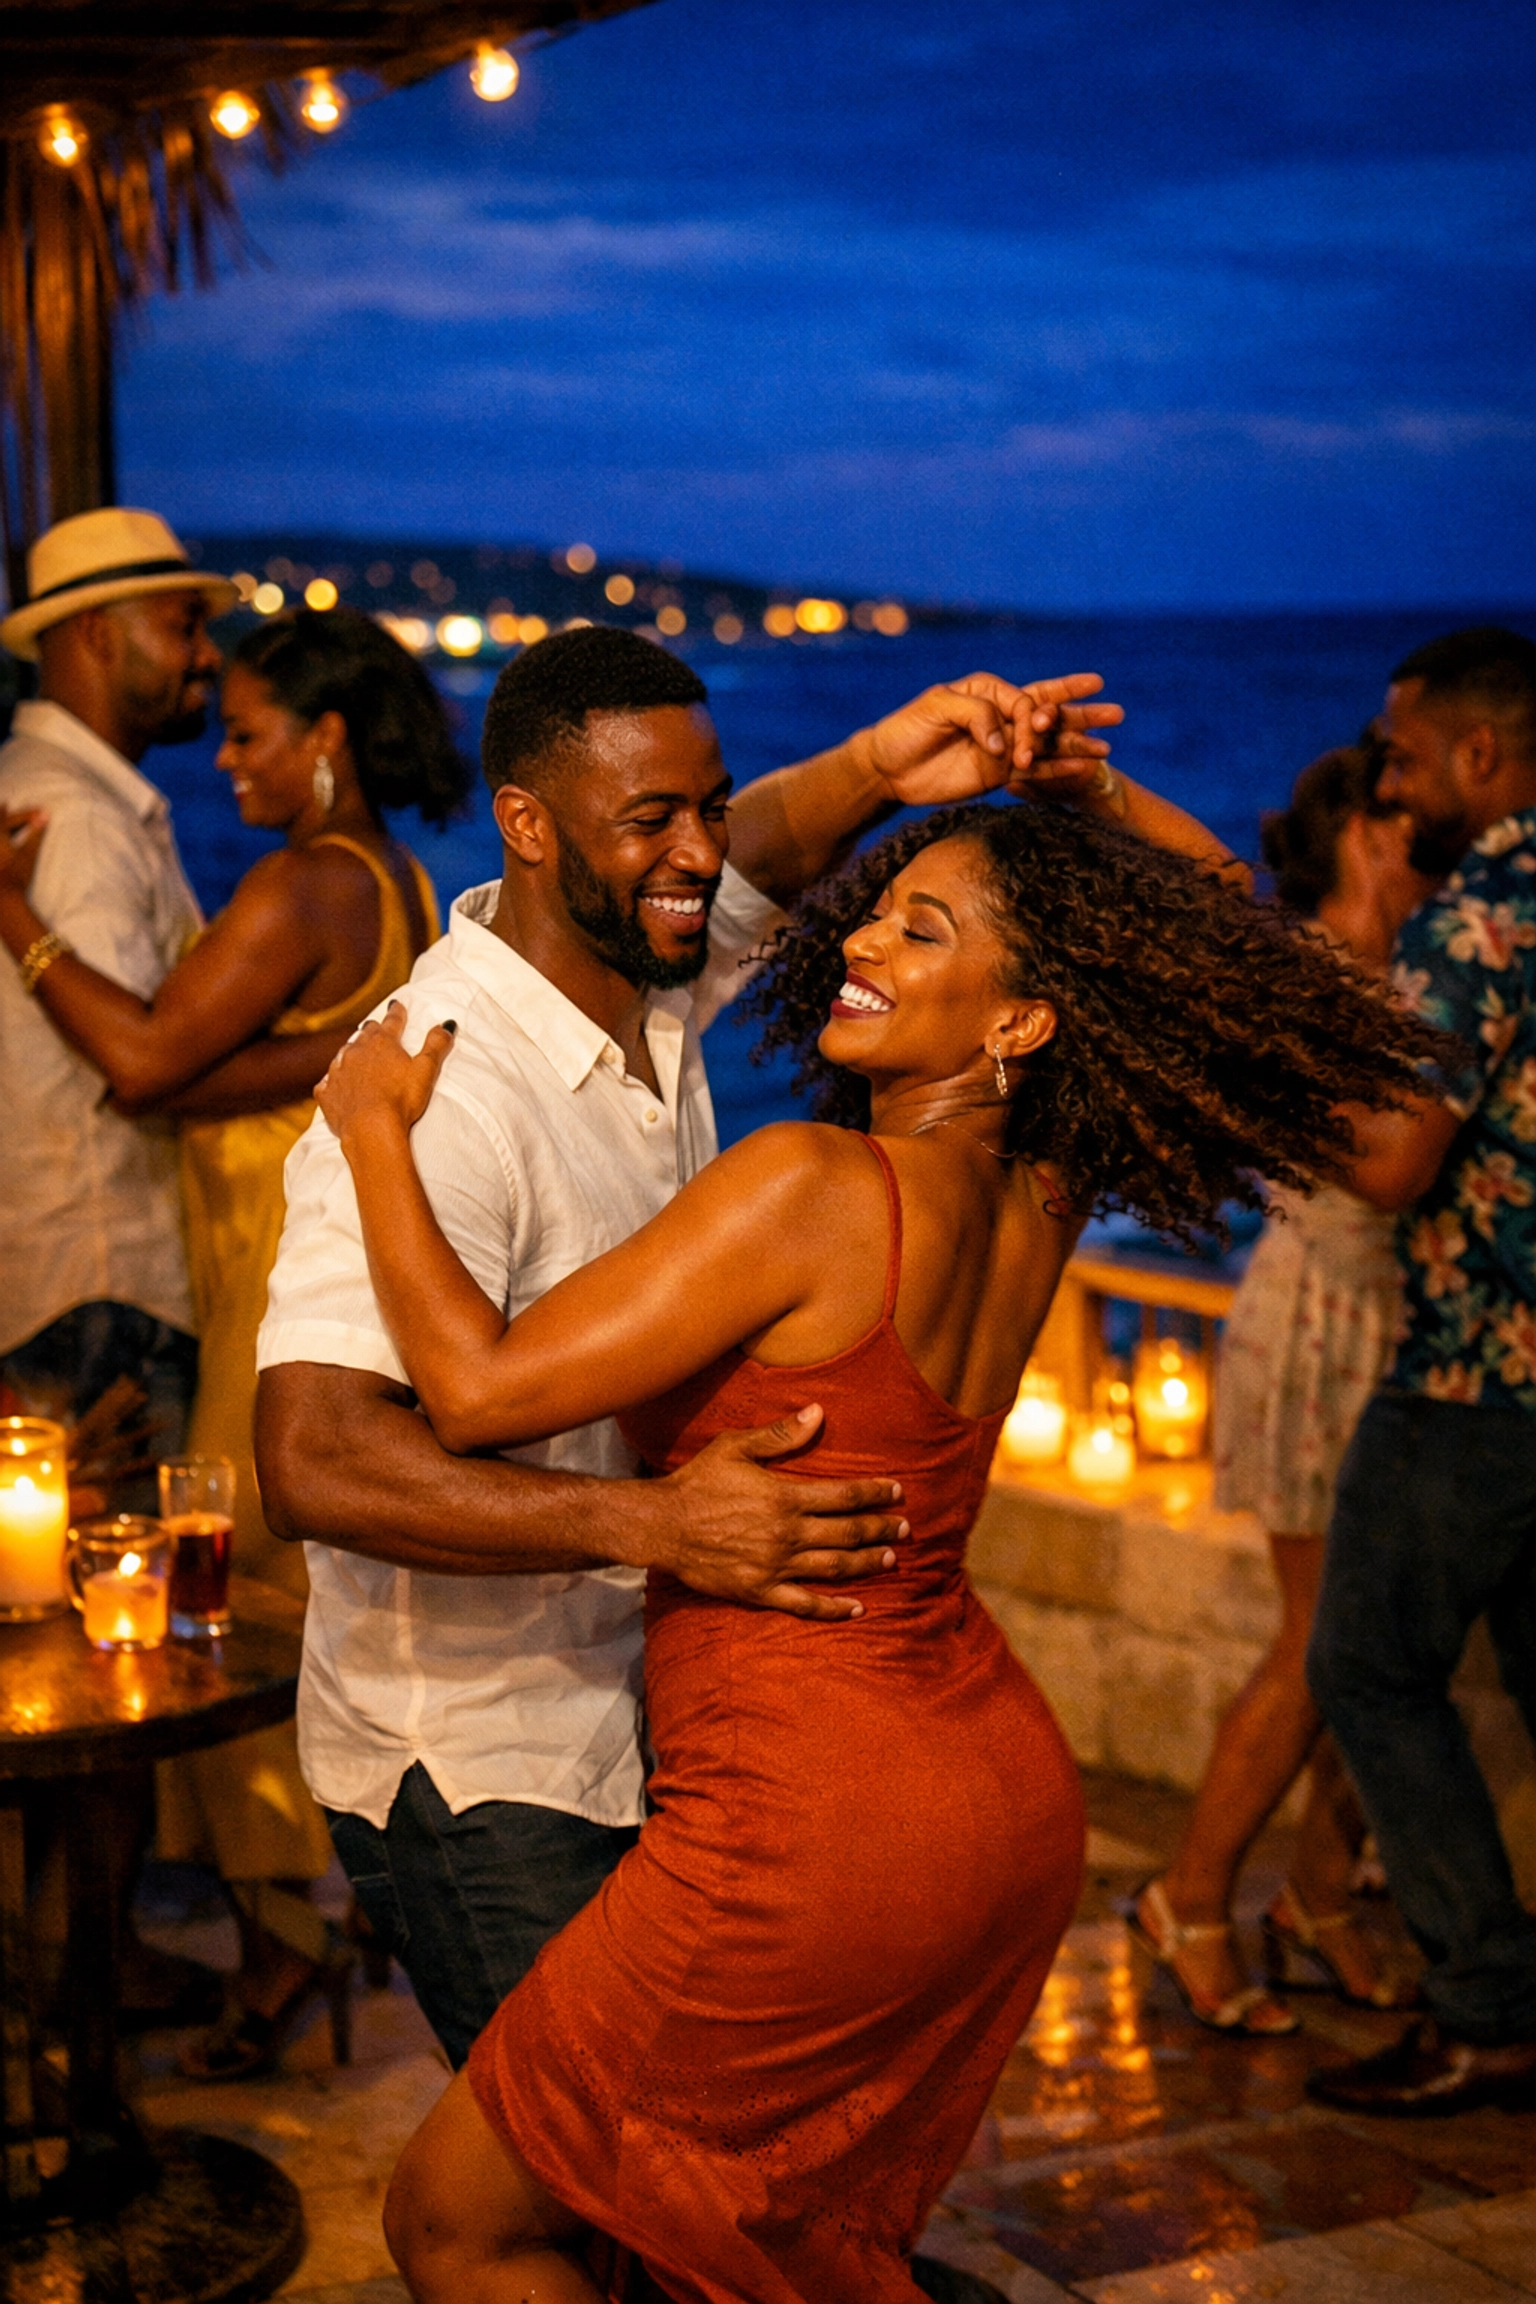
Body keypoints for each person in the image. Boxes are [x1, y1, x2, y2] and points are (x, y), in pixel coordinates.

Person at [310, 779, 1443, 2304]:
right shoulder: (1044, 1188)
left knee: (461, 2222)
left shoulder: (814, 1186)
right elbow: (1225, 945)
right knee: (785, 2247)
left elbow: (470, 1390)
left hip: (815, 1814)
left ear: (1024, 1022)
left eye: (926, 930)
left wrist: (374, 1131)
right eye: (878, 910)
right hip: (989, 1794)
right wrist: (1099, 804)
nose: (861, 941)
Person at [252, 625, 1130, 2077]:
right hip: (491, 1765)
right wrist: (657, 1524)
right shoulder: (432, 1090)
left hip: (667, 1729)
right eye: (650, 819)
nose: (698, 854)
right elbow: (316, 1459)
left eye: (707, 805)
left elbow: (762, 863)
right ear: (527, 828)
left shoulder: (643, 969)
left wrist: (874, 762)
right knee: (579, 2205)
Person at [0, 602, 467, 2077]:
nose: (226, 757)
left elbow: (142, 1061)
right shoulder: (391, 878)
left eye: (251, 733)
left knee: (230, 1616)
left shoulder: (300, 886)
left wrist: (12, 919)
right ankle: (297, 1931)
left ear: (324, 742)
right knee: (266, 1612)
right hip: (315, 1290)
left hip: (272, 1303)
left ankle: (283, 1941)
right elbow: (317, 1056)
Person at [1132, 735, 1434, 2033]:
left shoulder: (1404, 971)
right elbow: (1380, 1170)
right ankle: (1190, 1894)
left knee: (1397, 1647)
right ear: (1370, 833)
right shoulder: (1304, 978)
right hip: (1321, 1320)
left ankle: (1318, 1889)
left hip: (1405, 1328)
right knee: (1323, 1647)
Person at [1302, 627, 1536, 2115]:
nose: (1387, 782)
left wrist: (1276, 1074)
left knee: (1369, 1667)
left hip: (1473, 1375)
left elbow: (1391, 1158)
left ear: (1477, 754)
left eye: (1399, 754)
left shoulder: (1476, 920)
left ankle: (1490, 1999)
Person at [0, 508, 238, 1477]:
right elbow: (141, 1062)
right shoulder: (82, 822)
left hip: (64, 1283)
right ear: (98, 634)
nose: (209, 659)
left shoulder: (59, 793)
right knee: (128, 1600)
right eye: (183, 627)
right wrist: (344, 1046)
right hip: (102, 1288)